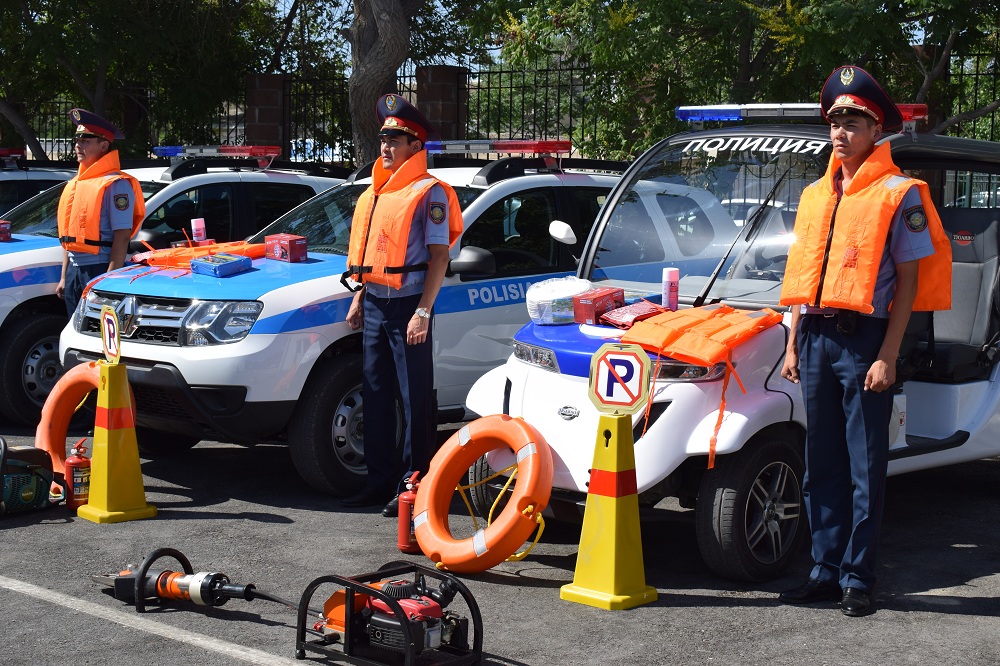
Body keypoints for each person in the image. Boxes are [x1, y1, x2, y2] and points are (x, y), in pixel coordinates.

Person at [778, 66, 951, 616]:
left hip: (865, 343)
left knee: (863, 465)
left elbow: (908, 283)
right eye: (835, 120)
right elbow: (805, 277)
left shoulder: (899, 194)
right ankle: (824, 570)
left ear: (877, 130)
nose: (841, 131)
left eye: (854, 121)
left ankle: (857, 577)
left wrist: (887, 355)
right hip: (816, 339)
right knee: (820, 462)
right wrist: (791, 344)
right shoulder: (813, 194)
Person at [342, 94, 463, 516]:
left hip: (410, 305)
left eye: (396, 139)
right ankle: (378, 482)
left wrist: (423, 312)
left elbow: (440, 257)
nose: (386, 147)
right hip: (375, 302)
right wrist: (360, 296)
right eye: (383, 139)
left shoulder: (430, 193)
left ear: (416, 145)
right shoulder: (376, 192)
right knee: (375, 394)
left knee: (414, 399)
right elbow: (376, 255)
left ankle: (414, 486)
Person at [56, 108, 145, 316]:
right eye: (77, 140)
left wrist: (109, 283)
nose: (78, 145)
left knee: (100, 338)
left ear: (104, 145)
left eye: (86, 140)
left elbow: (122, 238)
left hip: (100, 269)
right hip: (74, 273)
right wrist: (63, 277)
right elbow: (70, 239)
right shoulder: (76, 183)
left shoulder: (116, 184)